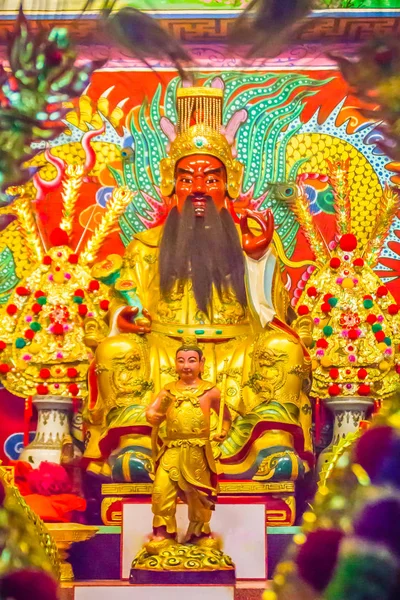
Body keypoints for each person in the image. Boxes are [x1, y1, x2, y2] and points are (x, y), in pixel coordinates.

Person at [83, 85, 313, 486]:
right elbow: (120, 304)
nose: (200, 188)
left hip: (238, 355)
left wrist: (257, 259)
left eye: (211, 177)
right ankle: (135, 442)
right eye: (187, 178)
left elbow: (273, 312)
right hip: (164, 354)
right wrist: (128, 318)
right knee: (115, 348)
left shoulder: (251, 242)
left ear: (230, 183)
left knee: (284, 348)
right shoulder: (146, 246)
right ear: (171, 185)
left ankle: (269, 442)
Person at [145, 344, 231, 554]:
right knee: (161, 490)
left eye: (192, 360)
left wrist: (223, 431)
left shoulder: (211, 392)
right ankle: (163, 533)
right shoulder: (168, 390)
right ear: (175, 364)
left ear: (202, 364)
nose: (186, 365)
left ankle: (199, 533)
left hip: (198, 450)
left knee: (198, 495)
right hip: (172, 449)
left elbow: (226, 417)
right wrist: (152, 416)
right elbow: (152, 411)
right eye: (181, 360)